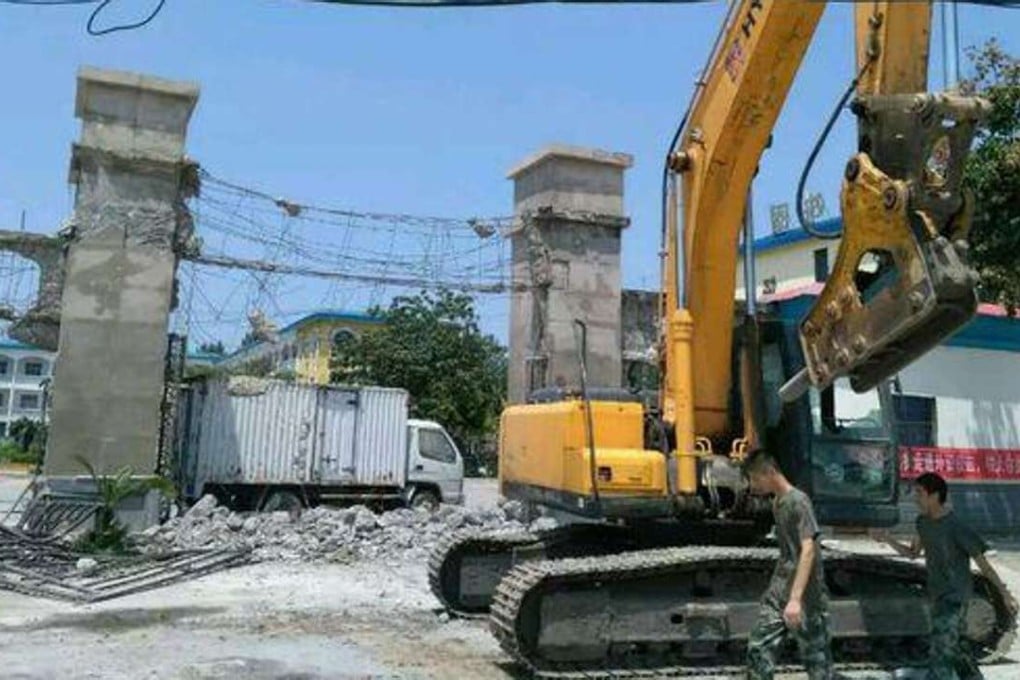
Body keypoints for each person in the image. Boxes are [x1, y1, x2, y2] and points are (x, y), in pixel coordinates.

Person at [872, 472, 1018, 680]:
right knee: (958, 648)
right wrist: (888, 539)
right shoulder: (922, 522)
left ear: (935, 495)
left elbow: (983, 565)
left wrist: (1004, 594)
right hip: (937, 594)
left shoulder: (957, 526)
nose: (915, 499)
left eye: (920, 493)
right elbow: (913, 553)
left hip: (956, 597)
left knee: (940, 651)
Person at [743, 448, 833, 680]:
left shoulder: (798, 502)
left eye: (755, 478)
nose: (753, 485)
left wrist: (795, 599)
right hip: (780, 594)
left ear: (770, 472)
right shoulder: (778, 503)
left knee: (817, 664)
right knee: (758, 648)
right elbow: (787, 554)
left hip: (806, 599)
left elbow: (808, 550)